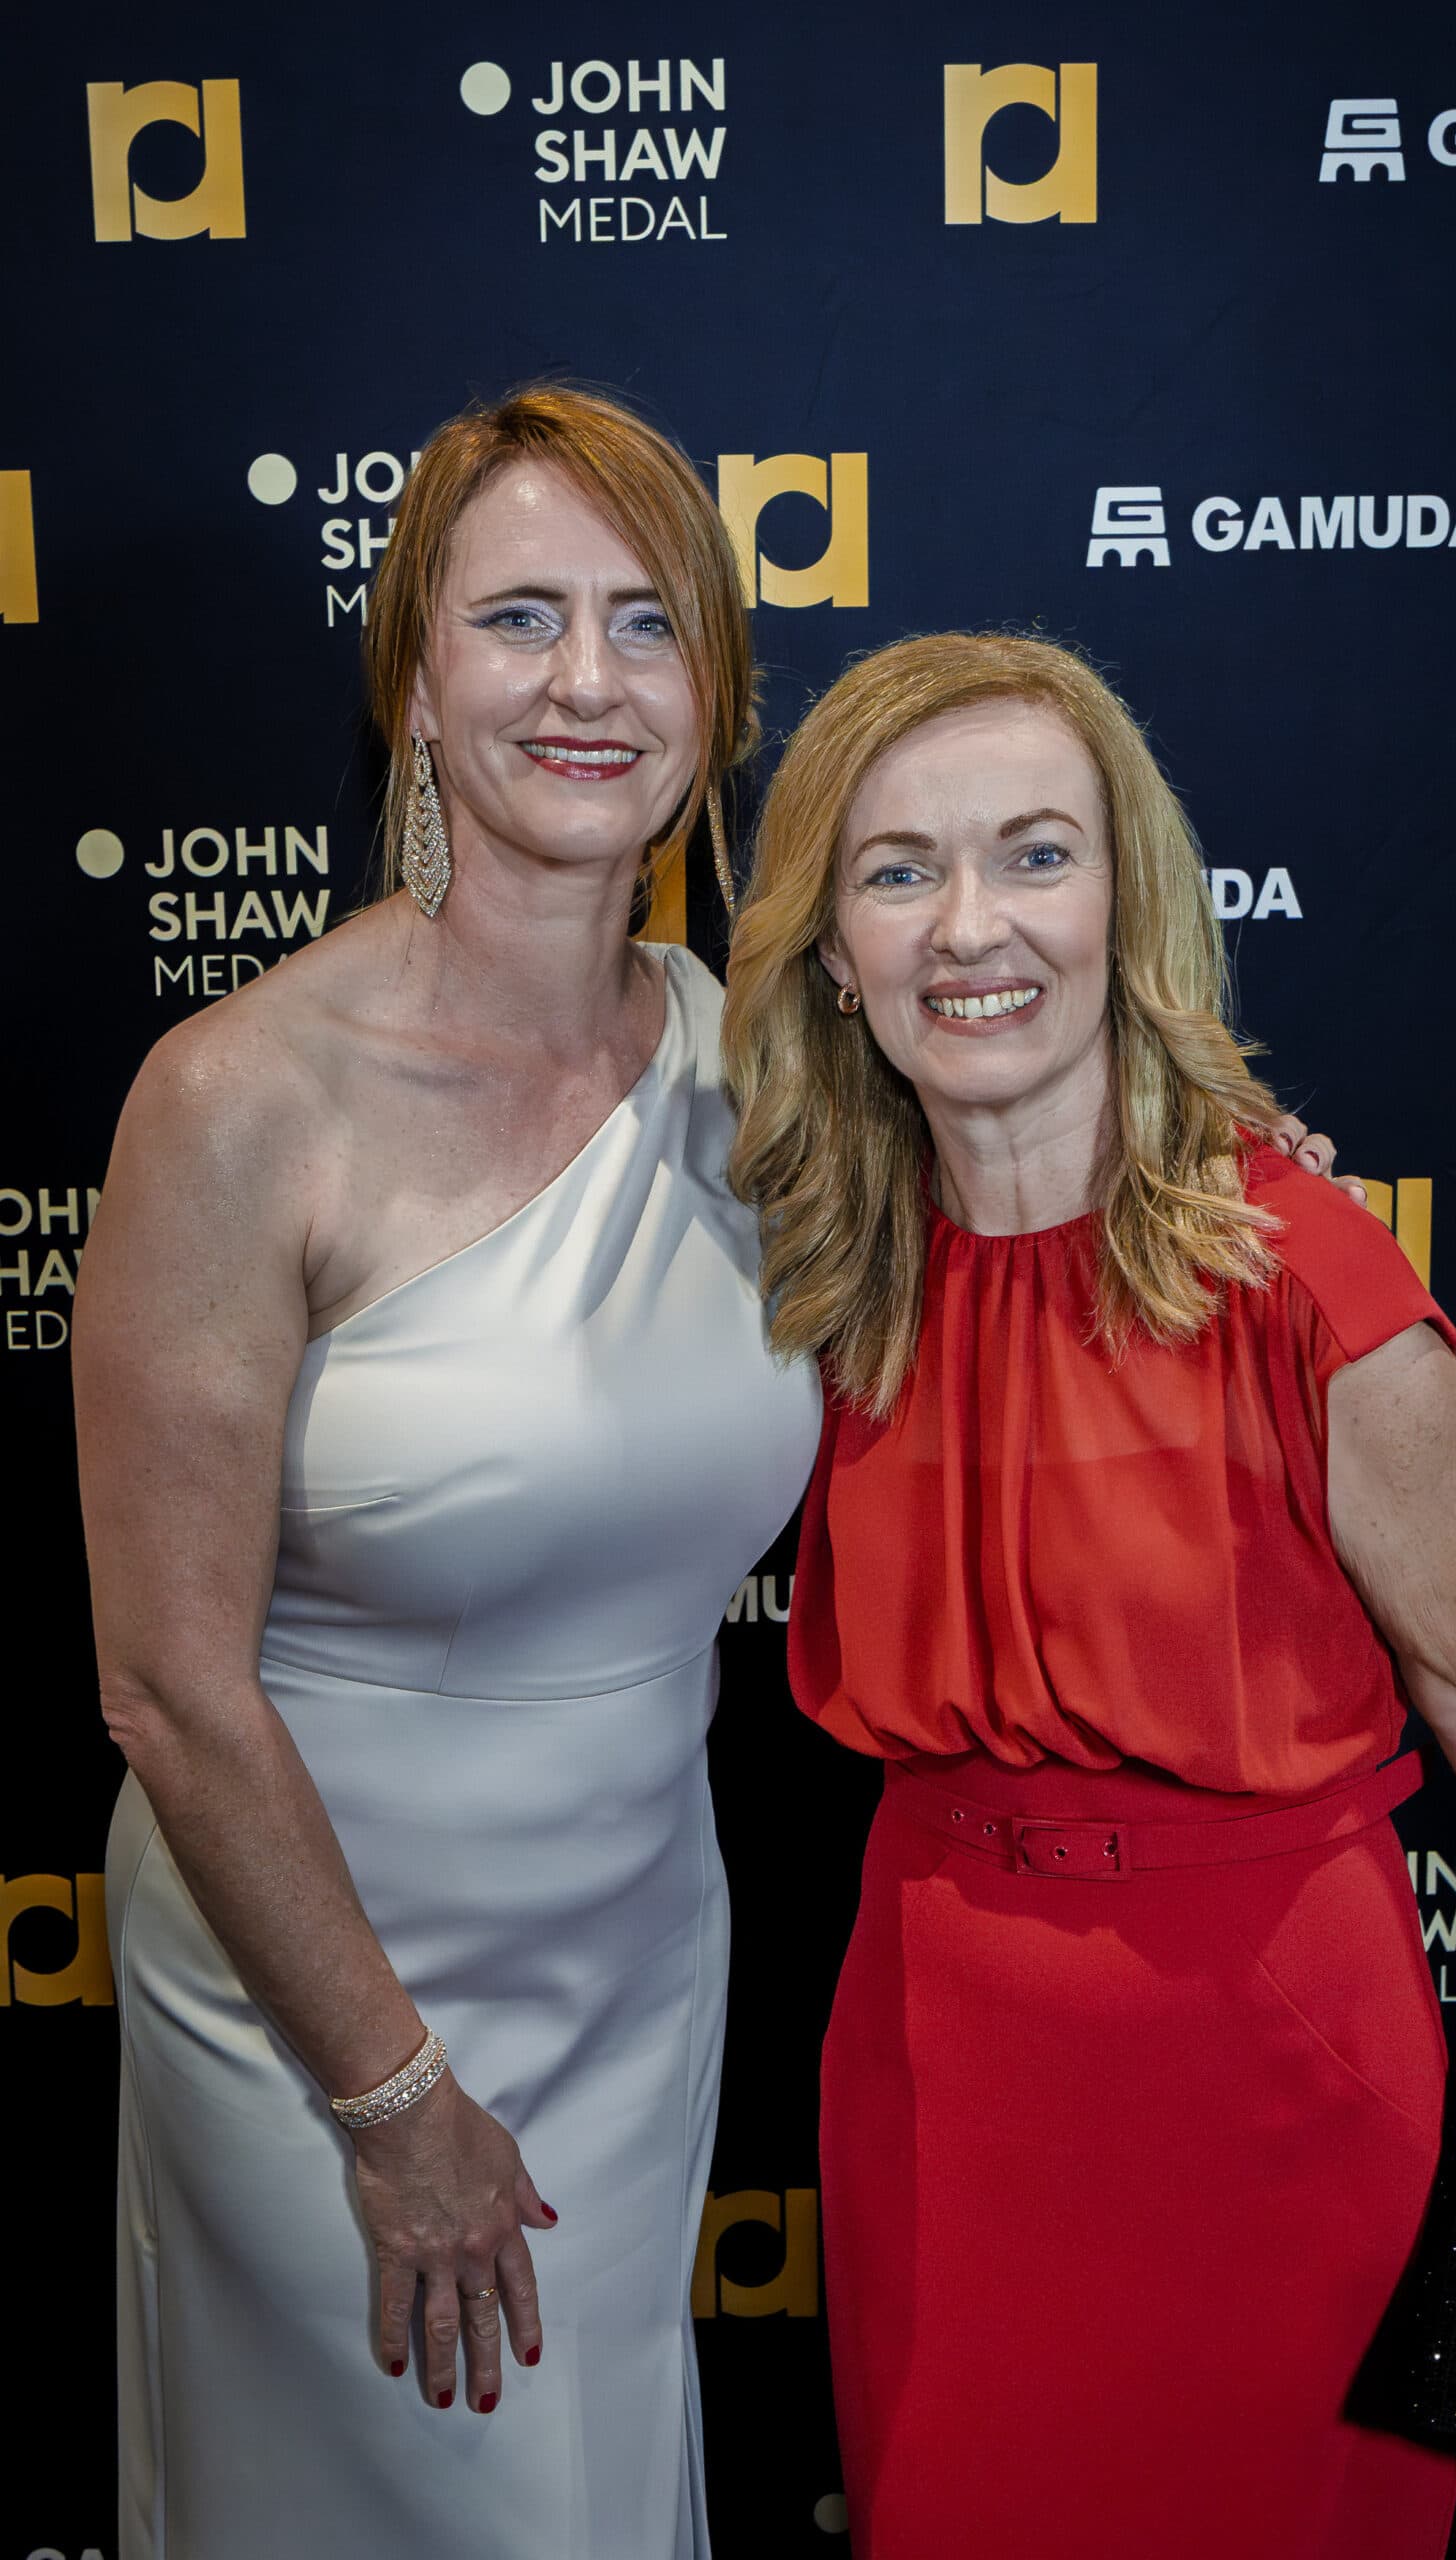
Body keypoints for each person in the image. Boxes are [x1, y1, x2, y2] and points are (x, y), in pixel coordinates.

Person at [721, 631, 1456, 2560]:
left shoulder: (1302, 1280)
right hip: (929, 2068)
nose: (970, 927)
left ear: (1127, 901)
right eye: (899, 870)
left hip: (1267, 2085)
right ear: (830, 948)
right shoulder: (818, 1276)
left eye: (1035, 854)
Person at [73, 385, 825, 2560]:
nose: (587, 680)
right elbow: (168, 1688)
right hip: (315, 2001)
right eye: (519, 618)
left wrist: (1246, 1187)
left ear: (714, 696)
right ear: (415, 682)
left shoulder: (766, 1071)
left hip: (637, 1960)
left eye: (646, 622)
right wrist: (393, 2103)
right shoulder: (240, 1098)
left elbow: (1046, 1213)